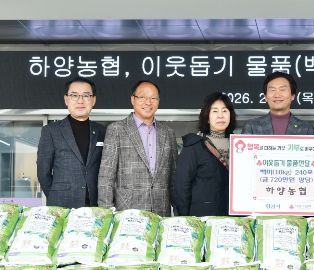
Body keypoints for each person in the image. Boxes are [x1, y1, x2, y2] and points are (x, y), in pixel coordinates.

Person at [98, 80, 177, 216]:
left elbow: (174, 178)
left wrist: (178, 212)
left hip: (161, 212)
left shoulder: (168, 133)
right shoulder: (116, 129)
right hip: (127, 212)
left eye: (153, 98)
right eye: (142, 97)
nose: (148, 102)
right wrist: (107, 214)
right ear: (133, 99)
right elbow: (106, 176)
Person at [36, 76, 106, 208]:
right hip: (62, 205)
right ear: (66, 99)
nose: (80, 100)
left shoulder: (102, 131)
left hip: (95, 204)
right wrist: (55, 196)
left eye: (86, 95)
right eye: (74, 95)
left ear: (93, 100)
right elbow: (43, 173)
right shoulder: (51, 131)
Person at [173, 92, 236, 216]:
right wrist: (186, 219)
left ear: (230, 115)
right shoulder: (194, 147)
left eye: (224, 111)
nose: (220, 115)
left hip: (235, 220)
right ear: (207, 117)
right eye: (215, 111)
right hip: (203, 219)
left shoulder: (241, 146)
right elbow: (181, 186)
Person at [241, 71, 312, 135]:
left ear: (292, 96)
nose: (277, 95)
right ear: (265, 97)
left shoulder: (306, 128)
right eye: (272, 90)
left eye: (282, 89)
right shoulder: (251, 126)